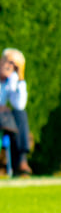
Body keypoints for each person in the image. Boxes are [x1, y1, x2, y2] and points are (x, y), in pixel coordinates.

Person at [0, 48, 32, 176]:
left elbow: (19, 104)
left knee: (20, 114)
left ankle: (21, 161)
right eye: (8, 62)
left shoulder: (13, 78)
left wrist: (20, 78)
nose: (10, 66)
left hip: (4, 118)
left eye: (14, 65)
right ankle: (13, 161)